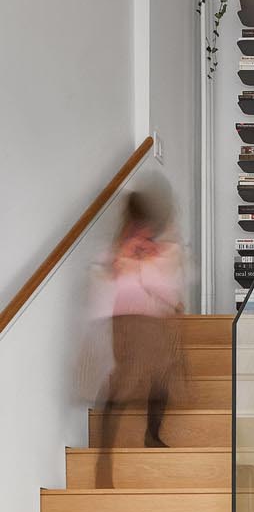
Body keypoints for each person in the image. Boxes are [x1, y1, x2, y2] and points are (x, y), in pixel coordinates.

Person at [93, 185, 185, 488]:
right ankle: (106, 453)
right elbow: (122, 276)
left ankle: (152, 435)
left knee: (162, 376)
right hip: (130, 321)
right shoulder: (128, 242)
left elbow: (159, 280)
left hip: (150, 319)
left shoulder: (150, 242)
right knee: (128, 381)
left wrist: (172, 302)